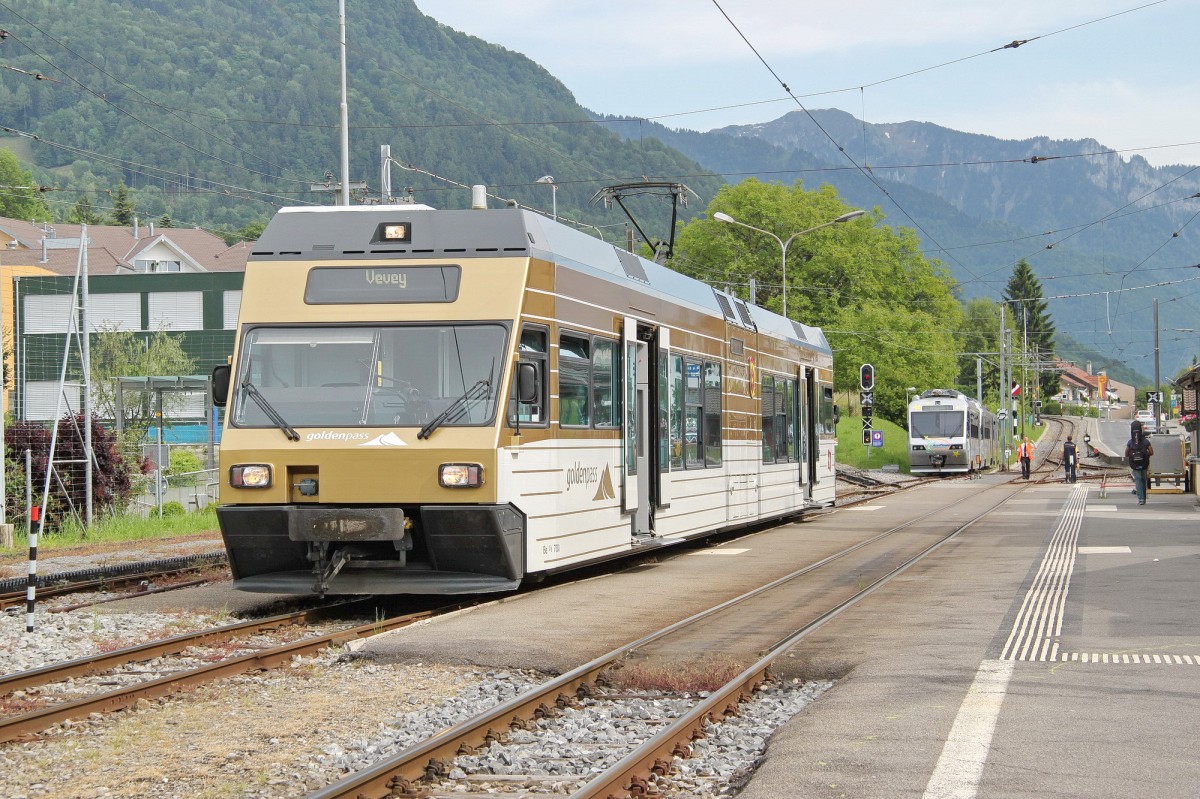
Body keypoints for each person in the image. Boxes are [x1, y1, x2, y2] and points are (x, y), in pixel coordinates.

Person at [1125, 421, 1154, 505]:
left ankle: (1140, 499)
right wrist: (1146, 455)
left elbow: (1126, 453)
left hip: (1135, 464)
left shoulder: (1130, 442)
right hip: (1144, 463)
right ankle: (1143, 498)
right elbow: (1151, 452)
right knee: (1143, 480)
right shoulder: (1145, 441)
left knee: (1138, 480)